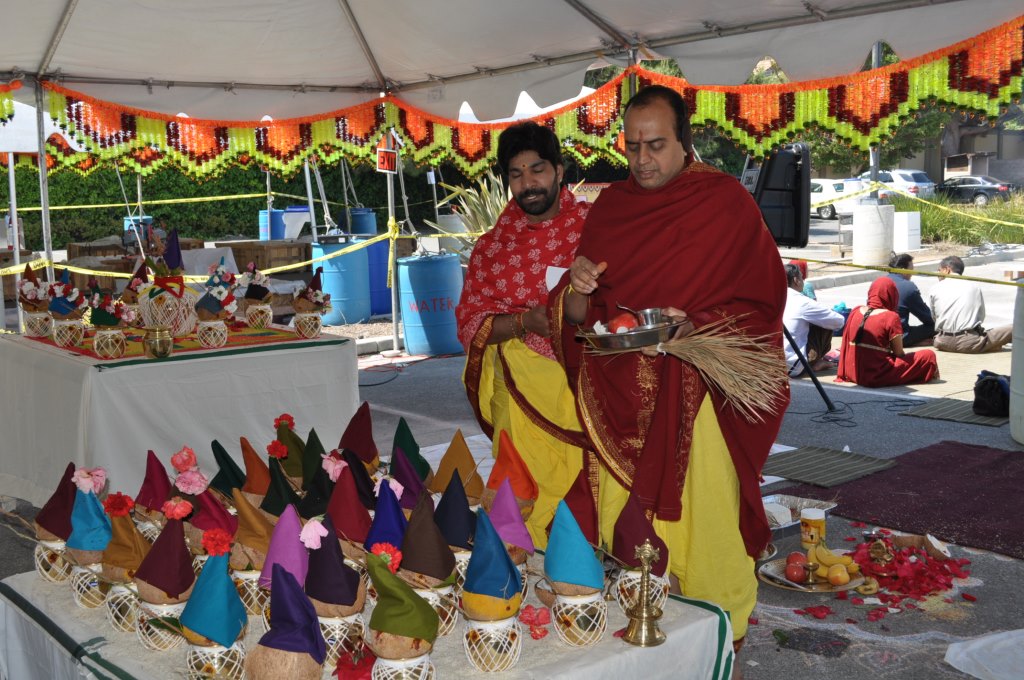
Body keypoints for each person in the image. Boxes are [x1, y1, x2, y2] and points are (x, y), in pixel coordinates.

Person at [552, 85, 789, 651]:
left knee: (704, 520)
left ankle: (721, 640)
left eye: (656, 145)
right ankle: (653, 633)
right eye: (632, 147)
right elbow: (582, 318)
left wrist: (697, 327)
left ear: (685, 141)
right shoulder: (611, 207)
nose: (642, 160)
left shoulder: (724, 202)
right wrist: (577, 288)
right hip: (620, 397)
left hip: (696, 390)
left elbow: (762, 304)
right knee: (634, 536)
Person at [455, 121, 590, 548]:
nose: (528, 184)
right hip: (517, 394)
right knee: (523, 488)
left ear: (559, 171)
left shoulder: (594, 229)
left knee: (583, 489)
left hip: (584, 388)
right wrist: (523, 324)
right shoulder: (492, 248)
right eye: (516, 174)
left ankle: (580, 559)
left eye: (537, 170)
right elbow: (470, 323)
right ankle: (520, 560)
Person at [837, 277, 939, 387]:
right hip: (875, 374)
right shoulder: (890, 317)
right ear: (892, 294)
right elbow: (898, 353)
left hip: (852, 372)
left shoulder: (855, 311)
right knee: (928, 356)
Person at [928, 255, 1012, 353]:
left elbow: (934, 317)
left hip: (942, 342)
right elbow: (980, 317)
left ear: (947, 270)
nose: (938, 274)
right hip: (969, 342)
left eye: (939, 270)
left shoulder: (934, 288)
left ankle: (990, 345)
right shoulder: (974, 287)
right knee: (1014, 328)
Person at [783, 263, 845, 376]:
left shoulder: (772, 298)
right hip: (792, 366)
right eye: (801, 277)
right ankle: (814, 361)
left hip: (771, 363)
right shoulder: (802, 301)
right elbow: (839, 321)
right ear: (796, 280)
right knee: (825, 321)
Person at [888, 253, 935, 346]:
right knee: (936, 326)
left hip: (878, 333)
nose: (912, 274)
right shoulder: (908, 286)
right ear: (903, 270)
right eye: (911, 270)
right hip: (899, 337)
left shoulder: (878, 282)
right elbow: (926, 317)